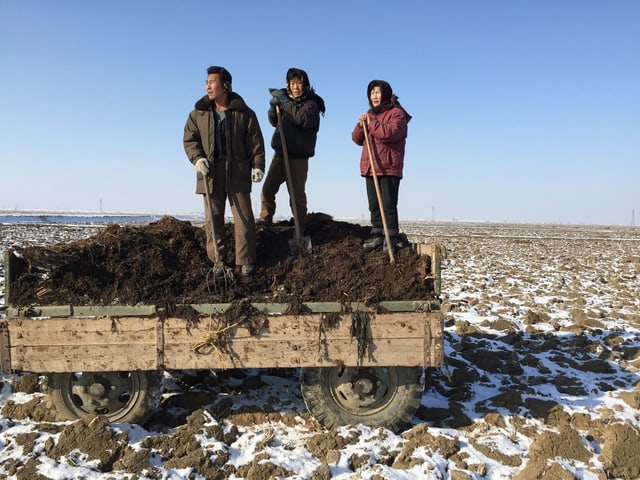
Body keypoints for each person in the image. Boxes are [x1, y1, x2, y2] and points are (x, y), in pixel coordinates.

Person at [183, 66, 265, 277]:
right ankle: (219, 261)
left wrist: (258, 165)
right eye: (206, 82)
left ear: (225, 86)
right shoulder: (198, 114)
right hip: (210, 171)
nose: (208, 86)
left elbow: (255, 141)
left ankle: (245, 261)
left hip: (237, 169)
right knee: (213, 217)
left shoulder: (244, 113)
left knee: (244, 217)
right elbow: (190, 139)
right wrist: (198, 158)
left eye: (212, 82)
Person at [259, 67, 325, 230]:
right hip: (280, 154)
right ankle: (265, 220)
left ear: (305, 85)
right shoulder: (286, 102)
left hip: (298, 157)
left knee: (296, 196)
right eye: (292, 83)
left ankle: (300, 226)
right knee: (267, 190)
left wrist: (284, 102)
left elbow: (301, 119)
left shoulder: (311, 104)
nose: (295, 87)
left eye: (299, 83)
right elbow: (275, 121)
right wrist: (273, 108)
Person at [351, 80, 411, 253]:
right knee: (374, 205)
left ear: (385, 93)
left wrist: (371, 122)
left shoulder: (397, 113)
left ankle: (391, 237)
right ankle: (377, 234)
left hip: (388, 166)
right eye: (371, 93)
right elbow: (356, 139)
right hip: (371, 166)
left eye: (377, 92)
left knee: (388, 204)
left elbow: (388, 134)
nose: (374, 96)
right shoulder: (371, 114)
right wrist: (361, 124)